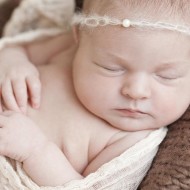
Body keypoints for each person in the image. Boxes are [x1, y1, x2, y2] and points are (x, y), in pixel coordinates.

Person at [0, 0, 189, 187]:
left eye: (166, 76)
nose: (136, 92)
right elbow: (17, 48)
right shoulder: (70, 48)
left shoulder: (132, 142)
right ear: (79, 37)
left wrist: (36, 150)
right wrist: (13, 63)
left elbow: (88, 187)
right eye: (112, 68)